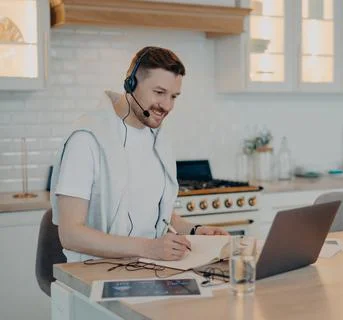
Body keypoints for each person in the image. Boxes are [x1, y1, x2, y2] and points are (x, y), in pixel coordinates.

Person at [50, 46, 228, 263]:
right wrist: (149, 248)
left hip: (149, 267)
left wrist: (196, 230)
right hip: (93, 273)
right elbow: (71, 235)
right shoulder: (86, 139)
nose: (167, 106)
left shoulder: (158, 139)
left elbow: (156, 216)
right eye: (159, 93)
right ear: (131, 83)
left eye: (174, 96)